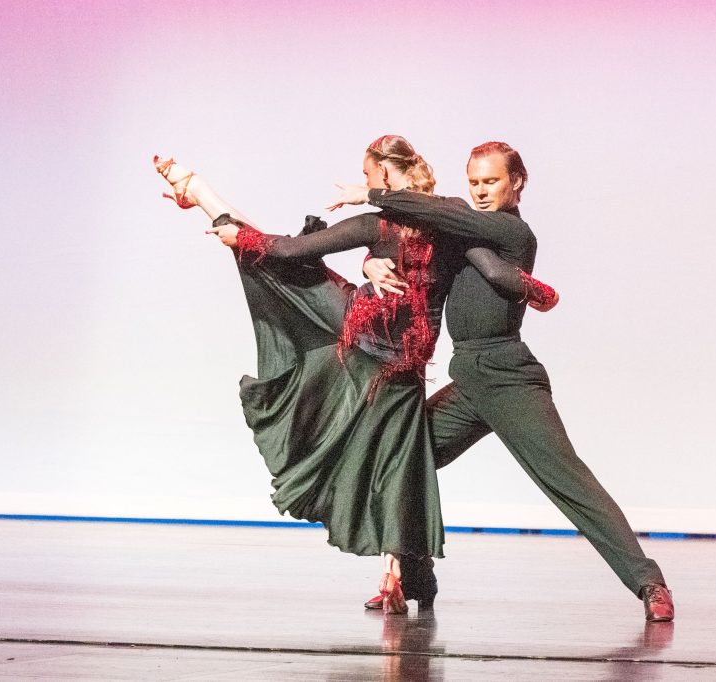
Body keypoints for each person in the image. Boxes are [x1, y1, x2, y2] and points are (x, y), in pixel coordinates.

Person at [153, 136, 558, 614]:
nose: (365, 183)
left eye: (368, 176)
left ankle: (399, 576)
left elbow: (479, 258)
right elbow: (291, 248)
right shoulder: (397, 223)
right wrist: (366, 258)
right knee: (276, 265)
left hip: (396, 361)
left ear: (386, 177)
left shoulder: (445, 221)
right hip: (365, 333)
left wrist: (537, 291)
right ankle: (199, 191)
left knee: (396, 463)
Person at [332, 141, 675, 622]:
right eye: (474, 182)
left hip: (510, 379)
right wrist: (370, 262)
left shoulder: (513, 233)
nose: (480, 191)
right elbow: (415, 258)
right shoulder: (461, 235)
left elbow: (447, 216)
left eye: (490, 181)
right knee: (401, 458)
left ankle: (648, 582)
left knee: (567, 480)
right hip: (469, 380)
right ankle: (417, 577)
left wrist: (375, 193)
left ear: (517, 182)